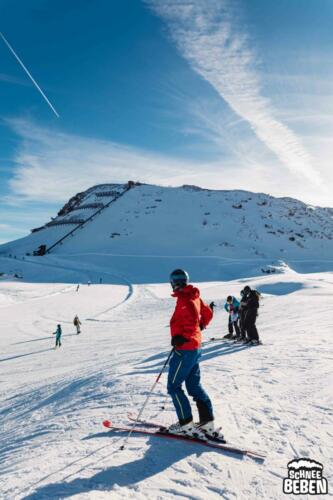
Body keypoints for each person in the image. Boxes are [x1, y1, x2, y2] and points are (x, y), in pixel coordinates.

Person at [167, 269, 222, 440]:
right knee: (193, 386)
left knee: (173, 386)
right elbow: (207, 313)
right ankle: (207, 422)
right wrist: (201, 326)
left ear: (174, 283)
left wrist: (181, 338)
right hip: (195, 347)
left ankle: (186, 424)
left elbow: (190, 321)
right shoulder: (193, 295)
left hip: (185, 349)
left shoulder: (184, 299)